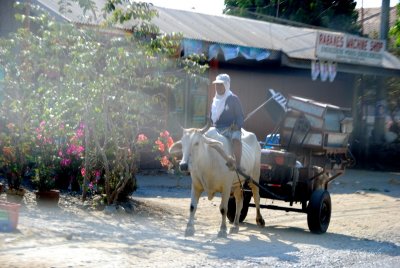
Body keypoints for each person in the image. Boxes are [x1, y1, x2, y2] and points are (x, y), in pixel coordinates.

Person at [210, 73, 244, 172]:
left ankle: (238, 164)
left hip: (231, 128)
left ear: (227, 85)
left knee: (236, 139)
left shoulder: (233, 99)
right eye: (217, 84)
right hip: (216, 128)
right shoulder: (214, 100)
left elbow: (240, 116)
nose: (218, 87)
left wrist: (237, 126)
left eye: (221, 84)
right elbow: (211, 117)